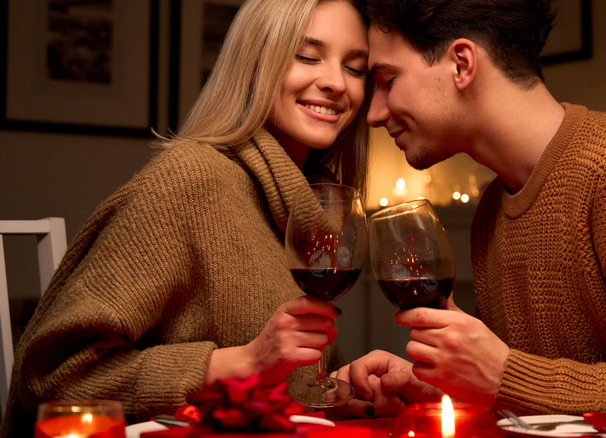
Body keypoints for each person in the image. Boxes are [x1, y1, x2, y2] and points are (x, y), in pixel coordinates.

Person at [332, 0, 606, 435]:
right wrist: (444, 387)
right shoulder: (494, 207)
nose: (373, 113)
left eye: (388, 80)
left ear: (462, 64)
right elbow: (543, 401)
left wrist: (505, 376)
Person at [0, 0, 371, 436]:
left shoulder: (307, 201)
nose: (335, 83)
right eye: (307, 56)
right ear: (254, 64)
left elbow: (278, 388)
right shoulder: (190, 179)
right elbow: (51, 375)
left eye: (356, 69)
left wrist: (342, 388)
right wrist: (241, 362)